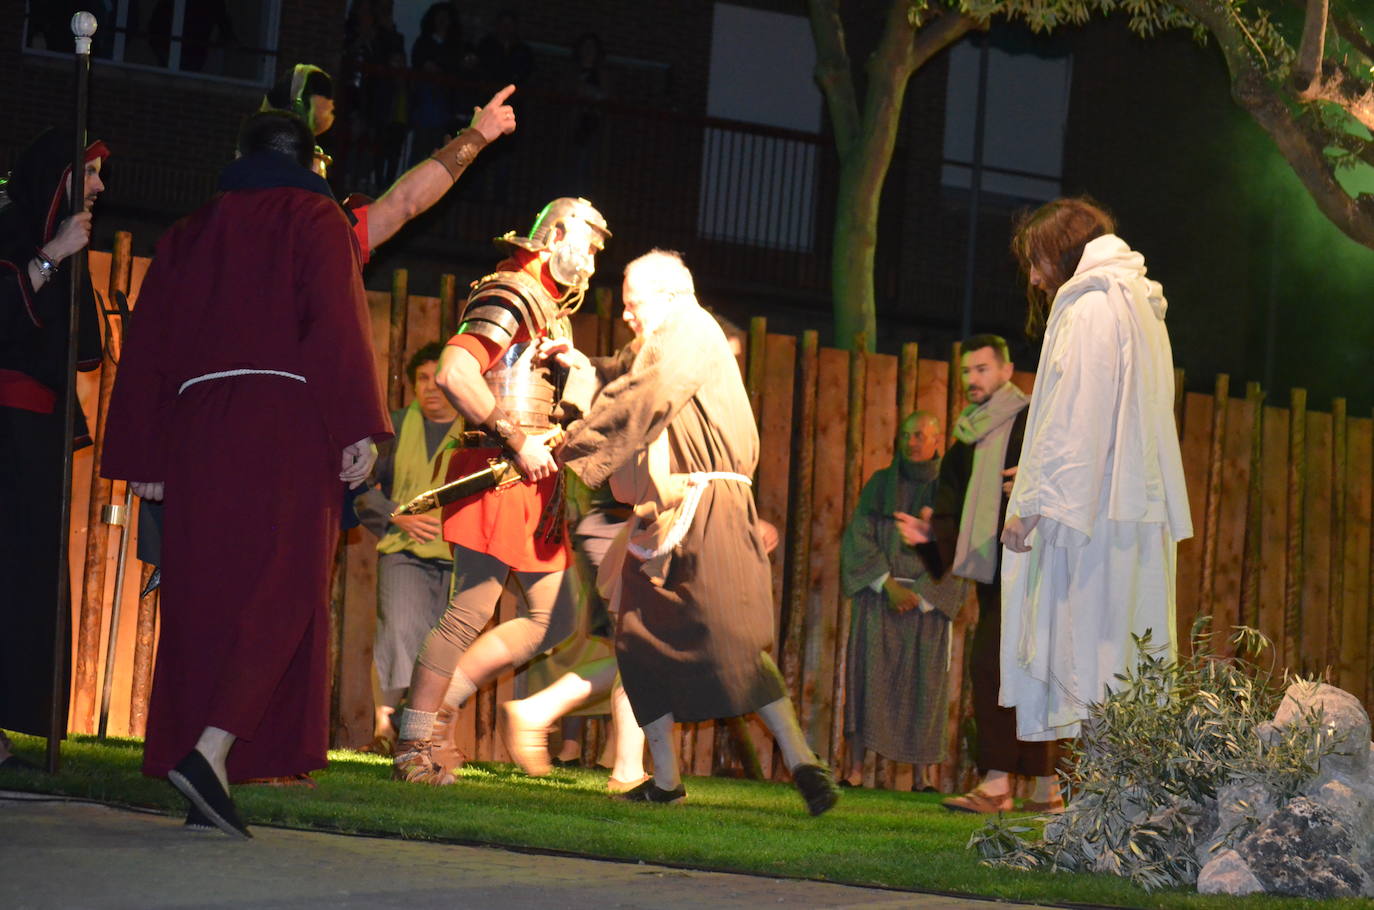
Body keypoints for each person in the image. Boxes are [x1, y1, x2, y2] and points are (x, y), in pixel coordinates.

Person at [100, 110, 391, 837]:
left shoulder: (190, 231)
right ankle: (210, 751)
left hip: (197, 429)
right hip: (286, 421)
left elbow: (150, 344)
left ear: (240, 154)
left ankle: (210, 775)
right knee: (286, 588)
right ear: (311, 162)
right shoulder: (315, 217)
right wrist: (358, 425)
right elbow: (335, 321)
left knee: (206, 599)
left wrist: (146, 453)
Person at [545, 249, 839, 815]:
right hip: (663, 509)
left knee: (732, 638)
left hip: (712, 506)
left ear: (672, 295)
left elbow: (645, 393)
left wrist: (574, 440)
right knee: (634, 635)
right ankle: (666, 780)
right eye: (626, 305)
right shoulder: (662, 338)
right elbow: (625, 376)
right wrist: (578, 367)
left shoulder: (689, 329)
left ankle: (803, 763)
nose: (629, 314)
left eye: (635, 304)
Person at [391, 197, 610, 786]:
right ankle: (414, 744)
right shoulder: (511, 289)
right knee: (469, 612)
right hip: (500, 468)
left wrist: (577, 371)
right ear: (559, 232)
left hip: (538, 479)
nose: (592, 259)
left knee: (547, 620)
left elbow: (565, 406)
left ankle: (441, 717)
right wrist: (515, 437)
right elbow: (454, 373)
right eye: (589, 243)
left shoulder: (552, 313)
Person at [997, 197, 1191, 743]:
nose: (1035, 278)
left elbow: (1075, 416)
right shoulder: (1135, 304)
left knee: (1092, 656)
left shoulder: (1091, 308)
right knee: (1117, 655)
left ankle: (1104, 812)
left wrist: (1032, 505)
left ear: (1063, 253)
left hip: (1092, 519)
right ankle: (1114, 808)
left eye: (1037, 261)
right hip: (1126, 508)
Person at [896, 335, 1063, 814]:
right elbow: (951, 502)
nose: (972, 379)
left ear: (1007, 371)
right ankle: (1043, 787)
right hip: (995, 571)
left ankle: (1001, 785)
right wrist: (932, 535)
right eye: (967, 371)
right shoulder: (967, 438)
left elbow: (1061, 476)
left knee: (1002, 666)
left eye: (983, 370)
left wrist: (1030, 489)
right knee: (1014, 668)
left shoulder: (1034, 422)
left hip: (1034, 563)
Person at [0, 129, 109, 769]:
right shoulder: (12, 227)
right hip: (3, 434)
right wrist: (51, 254)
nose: (99, 188)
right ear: (60, 177)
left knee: (24, 581)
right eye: (89, 174)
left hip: (33, 441)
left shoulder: (69, 241)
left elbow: (80, 347)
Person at [839, 411, 956, 789]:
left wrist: (921, 593)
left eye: (920, 435)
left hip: (926, 606)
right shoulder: (879, 485)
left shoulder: (951, 489)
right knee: (866, 681)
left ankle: (923, 779)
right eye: (906, 435)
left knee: (924, 687)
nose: (912, 441)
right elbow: (859, 537)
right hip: (880, 598)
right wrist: (888, 585)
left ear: (937, 440)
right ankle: (855, 771)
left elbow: (958, 547)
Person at [353, 342, 459, 750]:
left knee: (444, 641)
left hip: (457, 553)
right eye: (422, 379)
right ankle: (385, 728)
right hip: (403, 550)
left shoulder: (476, 432)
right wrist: (396, 513)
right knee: (398, 631)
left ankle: (429, 734)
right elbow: (360, 486)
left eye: (438, 378)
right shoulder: (394, 428)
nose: (431, 388)